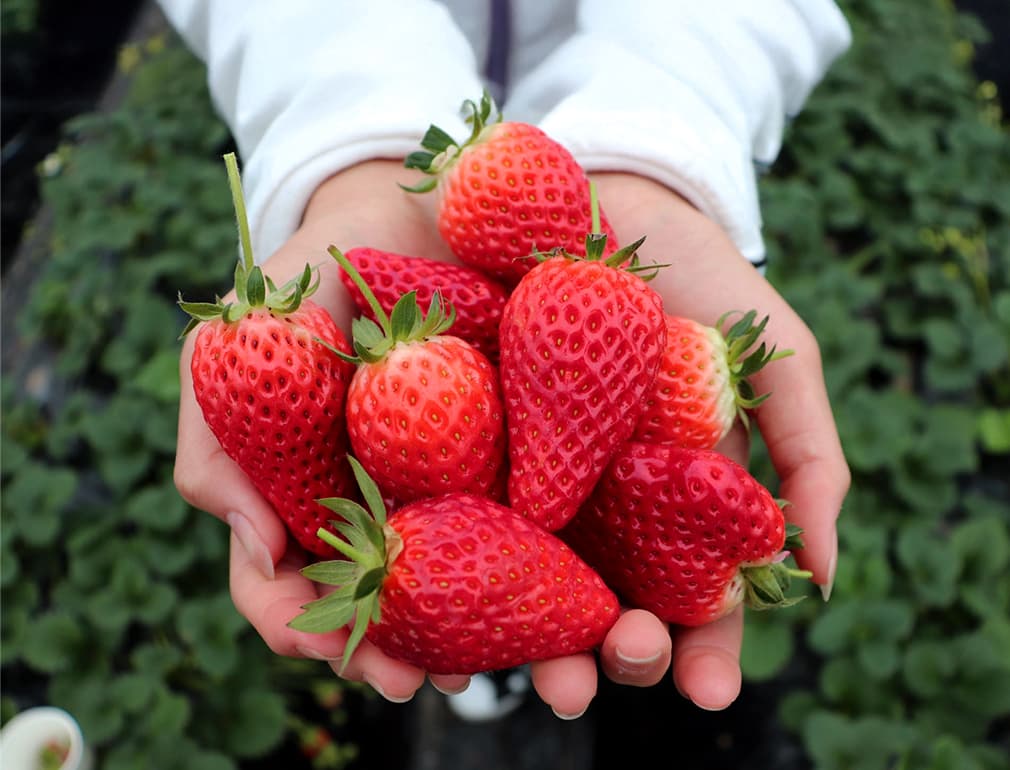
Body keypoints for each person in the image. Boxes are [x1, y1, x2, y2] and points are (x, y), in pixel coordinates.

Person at [161, 0, 852, 720]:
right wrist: (353, 147)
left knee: (522, 564)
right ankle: (500, 655)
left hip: (649, 80)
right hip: (358, 67)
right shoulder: (501, 338)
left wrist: (660, 143)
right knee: (501, 575)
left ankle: (504, 645)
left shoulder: (554, 325)